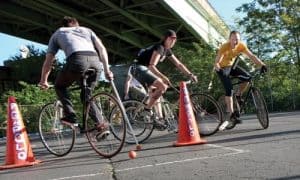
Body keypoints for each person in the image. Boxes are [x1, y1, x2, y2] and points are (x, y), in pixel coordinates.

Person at [39, 16, 113, 133]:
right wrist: (107, 69)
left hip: (77, 61)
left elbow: (49, 60)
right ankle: (101, 125)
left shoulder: (58, 33)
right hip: (95, 62)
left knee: (60, 86)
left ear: (64, 25)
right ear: (76, 24)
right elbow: (101, 48)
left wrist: (43, 80)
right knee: (86, 96)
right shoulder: (87, 30)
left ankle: (70, 116)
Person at [131, 29, 198, 127]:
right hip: (138, 68)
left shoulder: (167, 51)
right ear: (165, 39)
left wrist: (190, 74)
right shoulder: (160, 48)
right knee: (163, 86)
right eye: (171, 39)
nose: (173, 42)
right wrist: (163, 77)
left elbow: (178, 64)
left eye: (175, 40)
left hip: (145, 70)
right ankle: (147, 110)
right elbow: (152, 66)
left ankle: (156, 118)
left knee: (158, 92)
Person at [214, 30, 267, 130]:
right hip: (222, 69)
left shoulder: (241, 46)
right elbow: (216, 62)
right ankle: (231, 113)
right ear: (229, 39)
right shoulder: (225, 47)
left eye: (237, 40)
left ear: (240, 39)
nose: (235, 42)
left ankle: (238, 95)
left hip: (232, 67)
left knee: (247, 78)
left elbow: (251, 56)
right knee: (229, 89)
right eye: (233, 39)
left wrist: (262, 64)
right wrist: (220, 70)